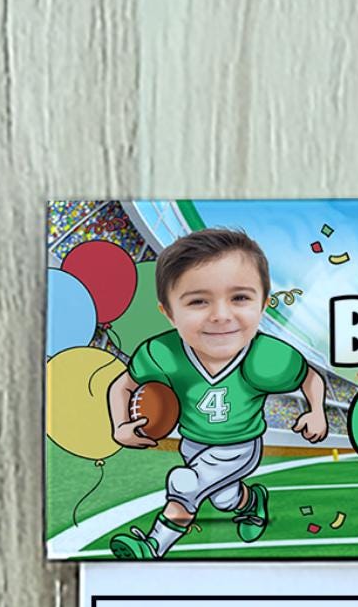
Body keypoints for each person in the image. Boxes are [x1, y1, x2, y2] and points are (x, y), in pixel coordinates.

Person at [104, 226, 327, 558]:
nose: (221, 316)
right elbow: (123, 385)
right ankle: (251, 501)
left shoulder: (266, 358)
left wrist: (316, 411)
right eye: (198, 301)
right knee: (224, 498)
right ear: (169, 313)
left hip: (239, 445)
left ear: (264, 305)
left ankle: (152, 546)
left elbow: (310, 378)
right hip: (192, 442)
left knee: (185, 485)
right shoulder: (162, 354)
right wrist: (120, 424)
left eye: (240, 298)